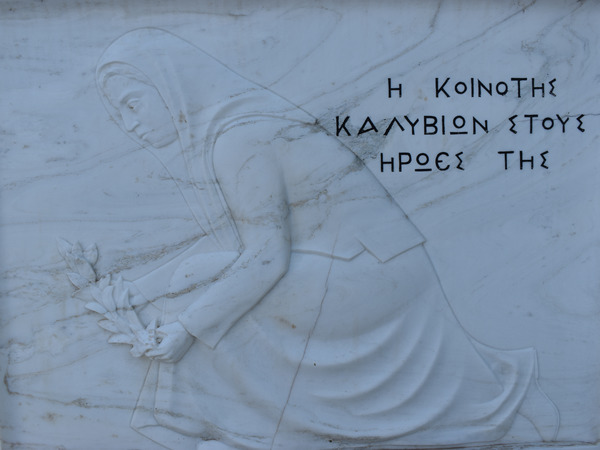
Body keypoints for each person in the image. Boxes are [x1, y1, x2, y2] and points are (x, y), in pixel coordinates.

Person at [96, 28, 558, 449]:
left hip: (371, 274)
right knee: (200, 285)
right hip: (361, 265)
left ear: (172, 84)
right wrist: (135, 291)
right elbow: (236, 244)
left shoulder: (239, 139)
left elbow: (264, 260)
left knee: (209, 319)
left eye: (133, 105)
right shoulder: (238, 126)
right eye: (119, 117)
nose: (130, 126)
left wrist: (187, 328)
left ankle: (252, 436)